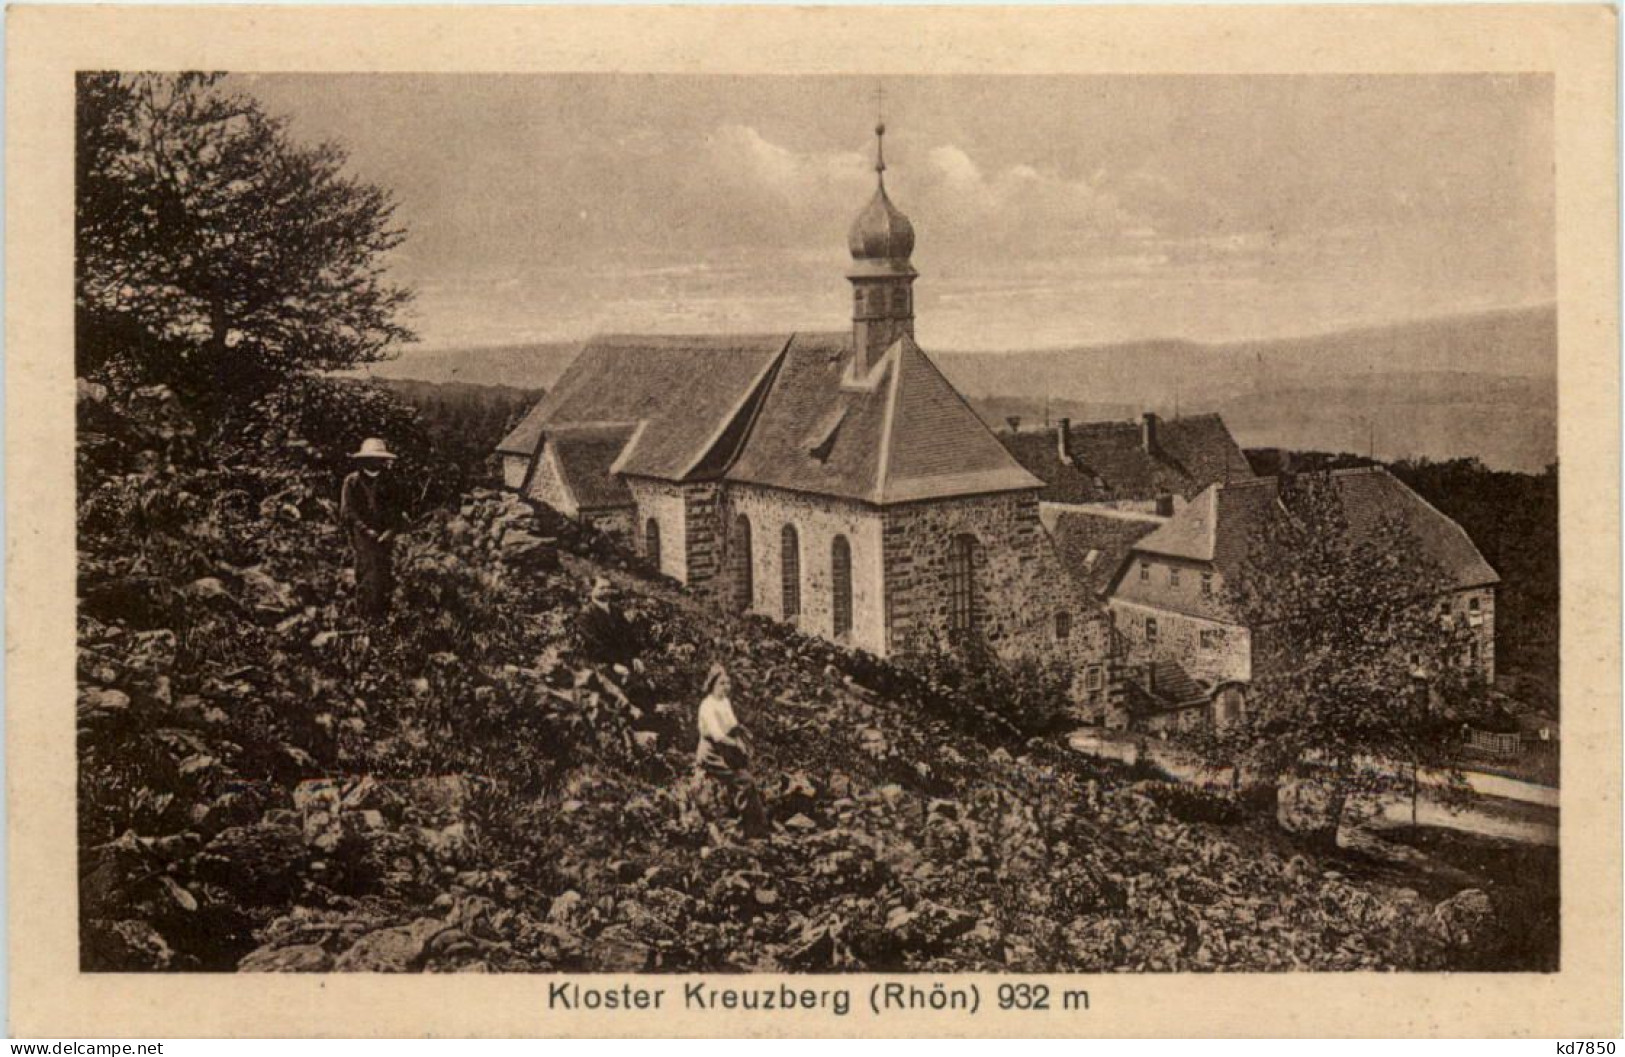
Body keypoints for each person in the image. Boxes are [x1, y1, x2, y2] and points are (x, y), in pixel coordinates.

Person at [339, 437, 404, 621]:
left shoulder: (390, 481)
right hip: (362, 534)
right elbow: (348, 511)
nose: (377, 462)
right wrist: (365, 530)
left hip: (385, 535)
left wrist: (390, 531)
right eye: (373, 458)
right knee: (367, 571)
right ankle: (365, 616)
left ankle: (382, 617)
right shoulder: (351, 482)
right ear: (364, 460)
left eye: (380, 458)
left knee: (385, 571)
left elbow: (397, 509)